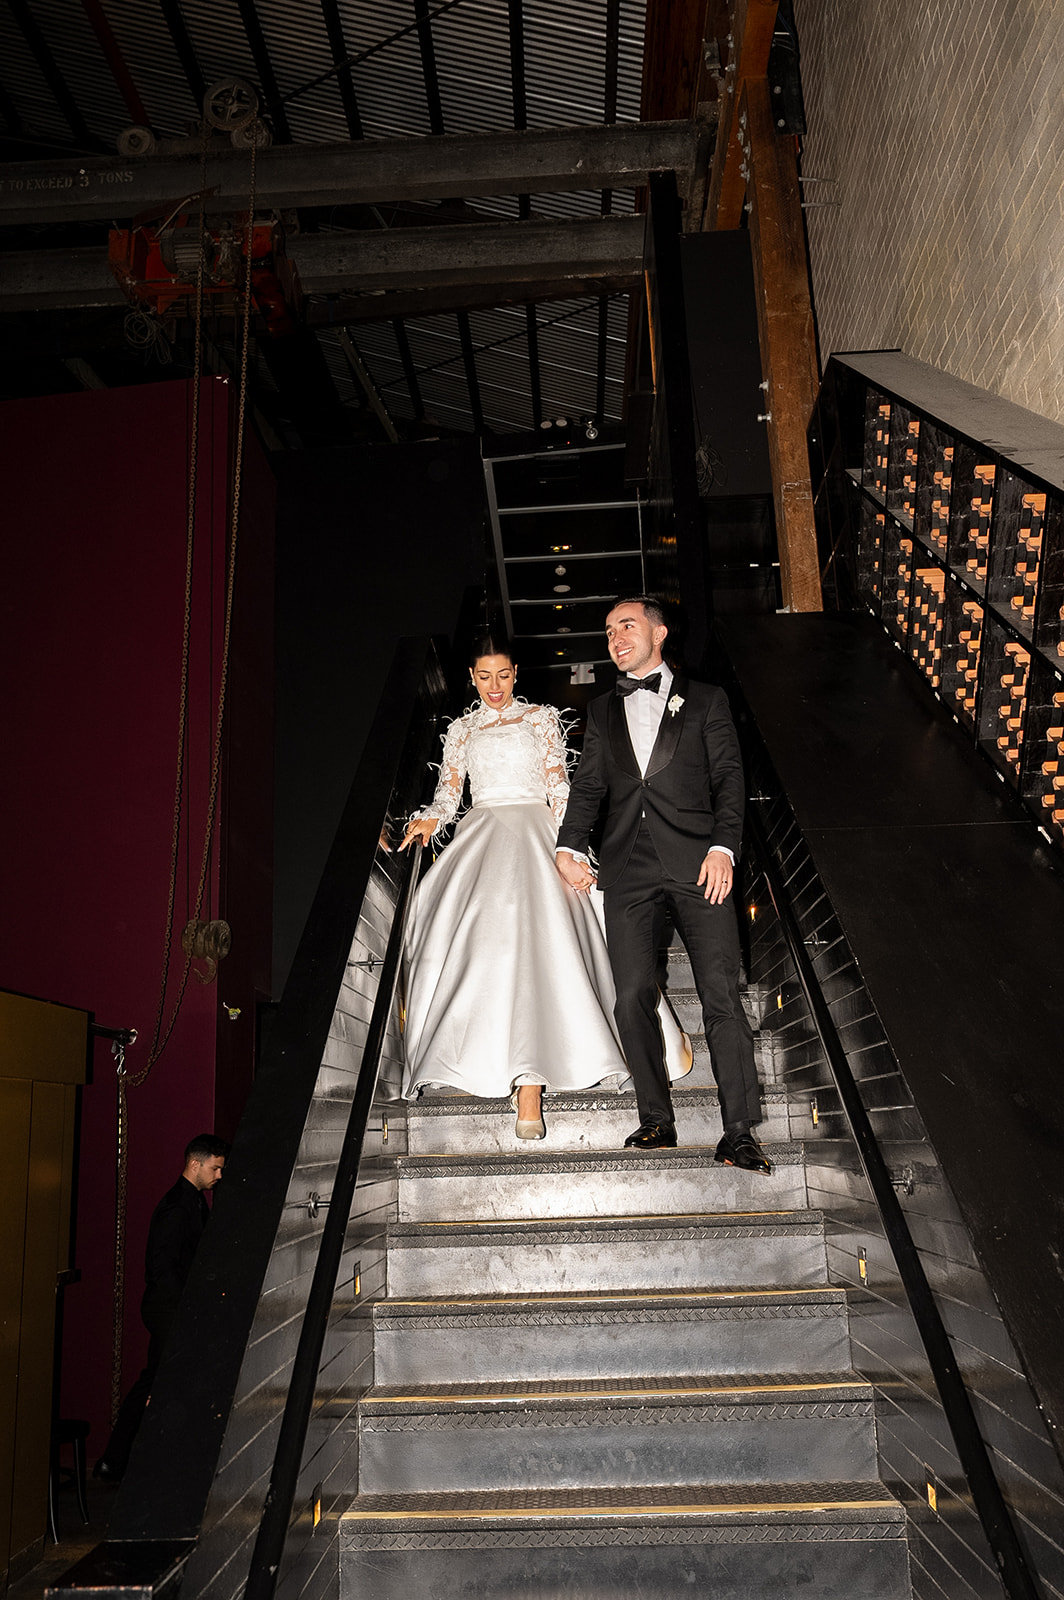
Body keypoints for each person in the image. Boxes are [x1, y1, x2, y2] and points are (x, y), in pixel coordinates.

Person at [399, 633, 689, 1138]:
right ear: (471, 678)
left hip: (538, 833)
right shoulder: (461, 730)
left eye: (503, 675)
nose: (494, 685)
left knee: (547, 949)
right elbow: (449, 793)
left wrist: (572, 849)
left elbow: (560, 789)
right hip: (483, 834)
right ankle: (498, 1063)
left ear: (516, 674)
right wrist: (430, 818)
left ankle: (531, 1086)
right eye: (484, 676)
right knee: (485, 950)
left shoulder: (540, 719)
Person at [556, 596, 770, 1170]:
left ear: (659, 632)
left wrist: (724, 848)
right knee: (630, 996)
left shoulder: (707, 699)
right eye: (608, 632)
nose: (615, 638)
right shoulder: (601, 710)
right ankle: (656, 1119)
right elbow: (588, 787)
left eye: (626, 626)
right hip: (627, 867)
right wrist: (567, 846)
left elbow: (729, 779)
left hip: (701, 864)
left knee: (720, 995)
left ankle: (739, 1131)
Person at [94, 1132, 229, 1482]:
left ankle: (118, 1460)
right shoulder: (177, 1207)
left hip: (174, 1306)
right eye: (215, 1168)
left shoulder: (193, 1202)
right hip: (169, 1307)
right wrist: (184, 1309)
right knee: (160, 1381)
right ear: (194, 1164)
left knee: (159, 1380)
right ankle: (119, 1460)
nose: (219, 1175)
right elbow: (161, 1267)